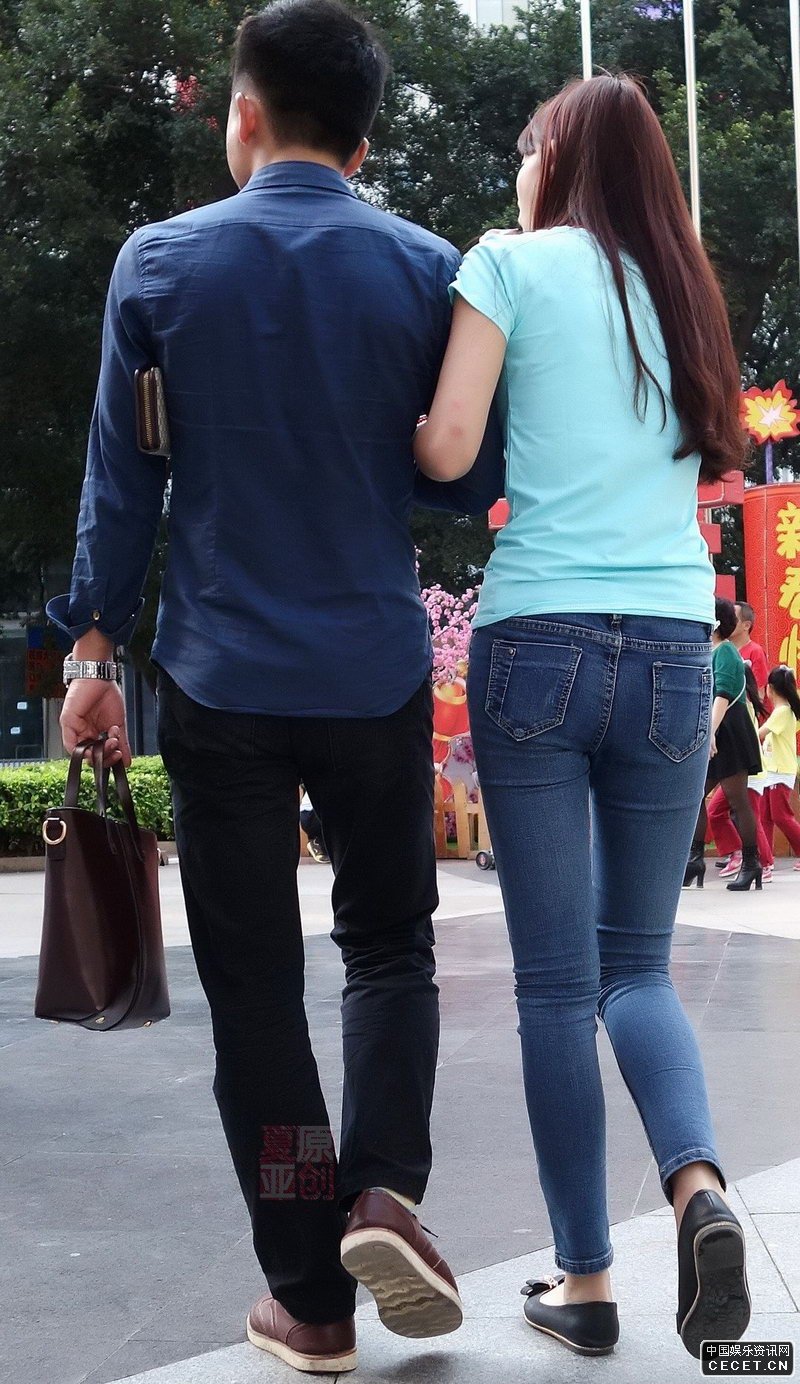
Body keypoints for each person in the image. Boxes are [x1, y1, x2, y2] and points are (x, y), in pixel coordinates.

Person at [46, 1, 505, 1373]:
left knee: (254, 990)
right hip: (371, 669)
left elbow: (120, 483)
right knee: (389, 944)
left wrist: (90, 651)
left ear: (243, 115)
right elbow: (466, 476)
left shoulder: (160, 263)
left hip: (222, 678)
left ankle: (309, 1294)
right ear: (363, 142)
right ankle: (384, 1192)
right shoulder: (428, 270)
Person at [415, 73, 751, 1360]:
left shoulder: (504, 263)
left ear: (556, 157)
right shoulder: (685, 289)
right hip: (670, 645)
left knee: (554, 986)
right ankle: (697, 1185)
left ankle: (588, 1281)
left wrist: (405, 425)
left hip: (539, 640)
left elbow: (450, 449)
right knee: (636, 969)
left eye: (525, 146)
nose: (515, 166)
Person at [685, 600, 764, 893]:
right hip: (716, 727)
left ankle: (751, 864)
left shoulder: (726, 651)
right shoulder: (711, 651)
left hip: (728, 728)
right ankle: (694, 859)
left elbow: (723, 694)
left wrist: (710, 733)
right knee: (694, 795)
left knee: (737, 800)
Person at [706, 662, 773, 881]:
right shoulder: (743, 705)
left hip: (749, 770)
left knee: (746, 812)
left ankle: (762, 862)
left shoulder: (741, 707)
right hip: (739, 765)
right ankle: (739, 855)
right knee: (722, 811)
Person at [759, 665, 800, 869]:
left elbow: (760, 734)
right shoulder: (782, 711)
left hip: (780, 771)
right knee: (765, 816)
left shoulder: (782, 711)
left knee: (780, 816)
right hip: (772, 771)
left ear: (770, 688)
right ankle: (765, 860)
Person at [733, 602, 769, 701]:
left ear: (746, 625)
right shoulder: (725, 650)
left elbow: (759, 693)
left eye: (733, 619)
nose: (728, 623)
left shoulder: (756, 651)